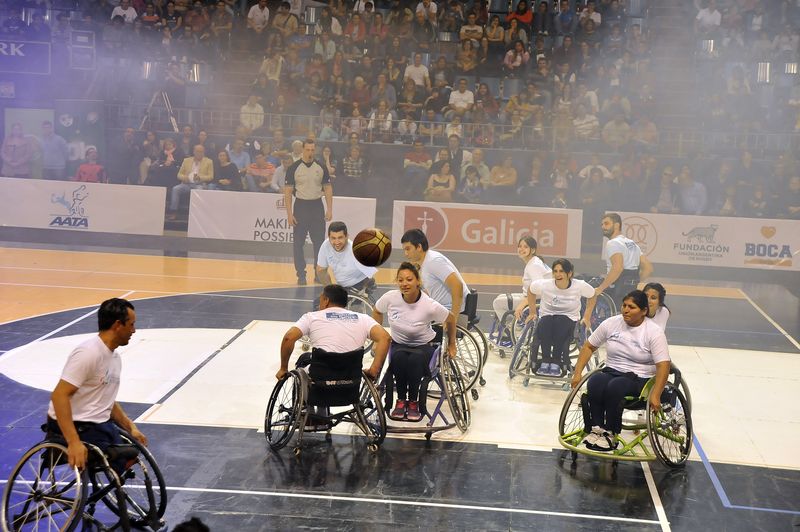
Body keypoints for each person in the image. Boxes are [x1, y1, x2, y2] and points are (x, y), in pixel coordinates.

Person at [47, 298, 147, 469]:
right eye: (131, 324)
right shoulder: (88, 353)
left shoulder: (115, 358)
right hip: (77, 424)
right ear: (118, 325)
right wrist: (73, 442)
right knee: (120, 456)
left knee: (132, 452)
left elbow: (104, 400)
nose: (134, 330)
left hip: (96, 424)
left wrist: (130, 427)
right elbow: (59, 395)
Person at [571, 290, 671, 452]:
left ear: (644, 311)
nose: (626, 310)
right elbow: (589, 346)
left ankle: (611, 432)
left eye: (631, 307)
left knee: (616, 386)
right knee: (595, 382)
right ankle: (597, 428)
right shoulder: (611, 323)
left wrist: (656, 394)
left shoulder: (653, 332)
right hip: (612, 370)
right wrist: (577, 373)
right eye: (624, 305)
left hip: (640, 377)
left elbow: (663, 365)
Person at [373, 262, 456, 422]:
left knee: (414, 360)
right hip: (399, 345)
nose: (404, 283)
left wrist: (452, 344)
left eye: (409, 279)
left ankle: (413, 402)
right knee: (398, 358)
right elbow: (376, 310)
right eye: (400, 280)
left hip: (424, 347)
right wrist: (377, 339)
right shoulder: (390, 298)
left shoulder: (429, 305)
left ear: (418, 281)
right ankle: (401, 400)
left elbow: (451, 318)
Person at [276, 284, 390, 381]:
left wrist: (283, 368)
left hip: (321, 377)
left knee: (304, 359)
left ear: (326, 300)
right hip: (351, 378)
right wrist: (374, 370)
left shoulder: (311, 317)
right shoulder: (363, 318)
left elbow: (288, 338)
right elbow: (385, 338)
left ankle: (304, 400)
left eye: (321, 298)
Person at [527, 259, 595, 377]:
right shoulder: (545, 284)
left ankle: (556, 361)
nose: (558, 274)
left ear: (569, 273)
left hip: (569, 318)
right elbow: (530, 290)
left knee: (561, 321)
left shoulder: (579, 285)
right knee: (546, 321)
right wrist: (532, 312)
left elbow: (593, 295)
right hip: (547, 317)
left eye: (561, 271)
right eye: (555, 271)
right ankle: (546, 360)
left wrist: (587, 317)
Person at [284, 138, 333, 285]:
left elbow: (328, 188)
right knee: (298, 243)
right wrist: (289, 214)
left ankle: (318, 273)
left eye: (312, 150)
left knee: (319, 243)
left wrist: (329, 209)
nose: (310, 152)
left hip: (317, 206)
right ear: (302, 149)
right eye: (307, 150)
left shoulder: (321, 167)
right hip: (301, 207)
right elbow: (288, 192)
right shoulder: (294, 168)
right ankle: (301, 274)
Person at [400, 229, 469, 316]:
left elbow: (457, 285)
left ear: (419, 247)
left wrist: (453, 317)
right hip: (442, 309)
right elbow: (431, 291)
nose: (406, 254)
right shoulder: (424, 263)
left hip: (455, 311)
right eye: (404, 250)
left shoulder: (433, 261)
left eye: (408, 249)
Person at [491, 236, 551, 335]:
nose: (521, 249)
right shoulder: (533, 262)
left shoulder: (534, 265)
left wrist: (522, 304)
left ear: (533, 250)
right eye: (520, 246)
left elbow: (538, 291)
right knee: (500, 297)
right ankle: (511, 326)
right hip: (530, 297)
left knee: (497, 303)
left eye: (525, 247)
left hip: (536, 300)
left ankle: (514, 330)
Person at [594, 213, 653, 307]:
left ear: (616, 225)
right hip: (630, 289)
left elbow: (617, 268)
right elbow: (648, 268)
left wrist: (601, 288)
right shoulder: (632, 243)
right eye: (602, 224)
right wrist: (634, 282)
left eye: (606, 223)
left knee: (591, 291)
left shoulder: (613, 243)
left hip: (616, 291)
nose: (603, 227)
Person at [316, 221, 378, 294]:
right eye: (333, 238)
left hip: (358, 286)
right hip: (342, 287)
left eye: (340, 237)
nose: (337, 242)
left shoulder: (355, 251)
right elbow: (321, 270)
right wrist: (330, 290)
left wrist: (364, 290)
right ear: (329, 238)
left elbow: (370, 275)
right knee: (321, 300)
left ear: (347, 236)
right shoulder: (326, 245)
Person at [169, 144, 214, 216]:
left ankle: (197, 213)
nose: (199, 153)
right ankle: (173, 212)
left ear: (204, 152)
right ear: (194, 152)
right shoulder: (186, 160)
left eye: (201, 152)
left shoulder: (209, 162)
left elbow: (211, 176)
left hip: (199, 184)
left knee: (199, 190)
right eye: (197, 151)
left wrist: (200, 177)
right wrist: (185, 178)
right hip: (186, 184)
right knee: (175, 189)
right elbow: (179, 174)